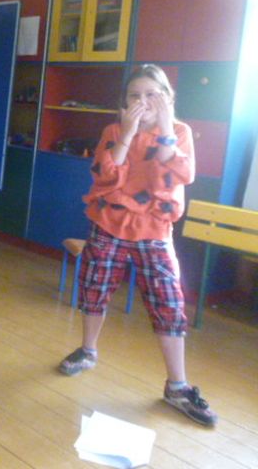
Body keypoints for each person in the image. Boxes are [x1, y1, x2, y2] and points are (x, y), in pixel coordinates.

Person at [58, 64, 217, 426]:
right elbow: (104, 174)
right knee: (94, 287)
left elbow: (182, 172)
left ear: (168, 99)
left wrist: (165, 129)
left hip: (155, 227)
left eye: (151, 95)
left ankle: (177, 386)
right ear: (124, 102)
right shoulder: (114, 131)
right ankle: (88, 350)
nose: (142, 102)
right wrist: (128, 134)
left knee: (168, 300)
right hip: (110, 221)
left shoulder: (179, 132)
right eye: (135, 96)